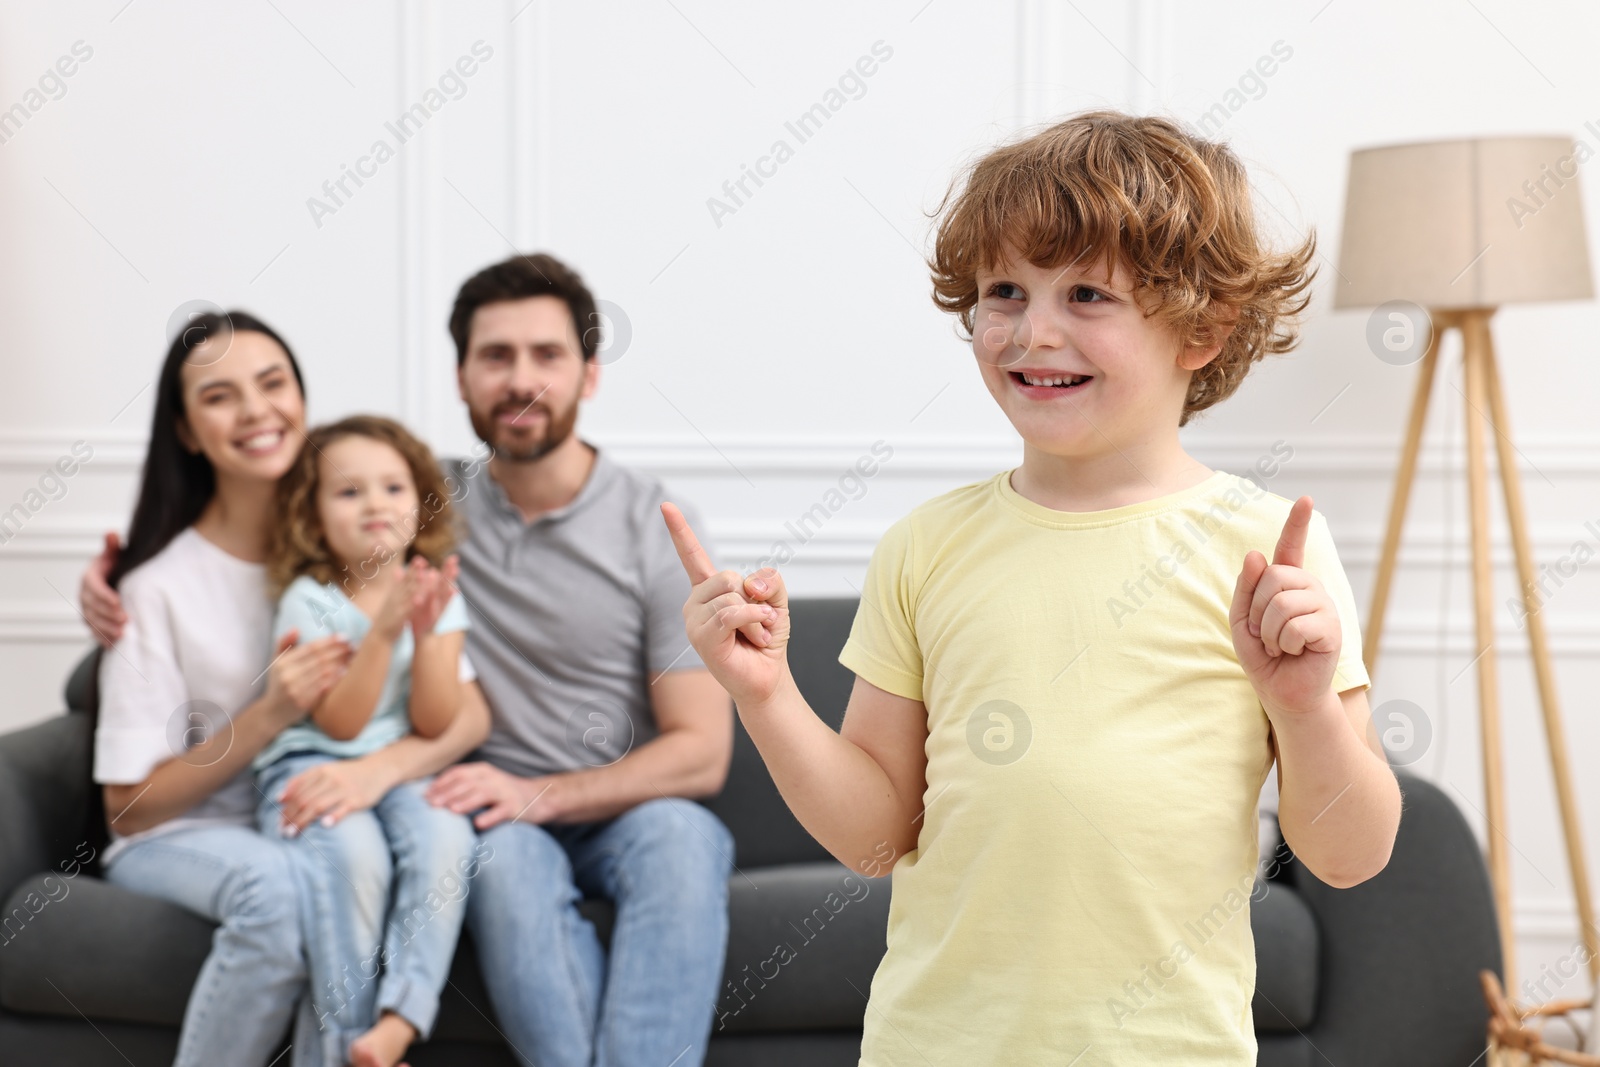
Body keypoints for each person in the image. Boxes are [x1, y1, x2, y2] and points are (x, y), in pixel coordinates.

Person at [661, 110, 1403, 1065]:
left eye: (1088, 293)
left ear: (1204, 329)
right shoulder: (925, 547)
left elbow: (1350, 855)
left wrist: (1304, 710)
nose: (1033, 330)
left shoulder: (1267, 549)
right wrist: (762, 695)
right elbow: (876, 839)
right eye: (1004, 290)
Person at [84, 312, 490, 1067]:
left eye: (273, 383)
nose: (255, 410)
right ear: (186, 429)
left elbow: (462, 711)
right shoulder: (157, 587)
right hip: (185, 831)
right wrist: (270, 712)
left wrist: (374, 772)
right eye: (219, 396)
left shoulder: (353, 545)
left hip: (322, 803)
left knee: (354, 858)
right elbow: (127, 807)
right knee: (282, 891)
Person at [421, 253, 736, 1067]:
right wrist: (122, 585)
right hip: (498, 817)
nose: (520, 379)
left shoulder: (652, 522)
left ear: (588, 375)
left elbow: (700, 752)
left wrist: (541, 794)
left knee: (685, 837)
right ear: (460, 377)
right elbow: (274, 536)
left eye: (547, 355)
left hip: (630, 809)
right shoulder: (423, 512)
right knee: (504, 853)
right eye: (496, 355)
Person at [256, 415, 482, 1067]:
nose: (375, 504)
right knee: (357, 859)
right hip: (313, 762)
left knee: (448, 836)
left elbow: (437, 721)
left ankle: (400, 1019)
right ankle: (341, 1046)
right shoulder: (312, 600)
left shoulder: (436, 590)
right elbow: (340, 724)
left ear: (420, 503)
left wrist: (430, 635)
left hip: (401, 770)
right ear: (312, 513)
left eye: (392, 487)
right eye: (349, 492)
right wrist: (382, 634)